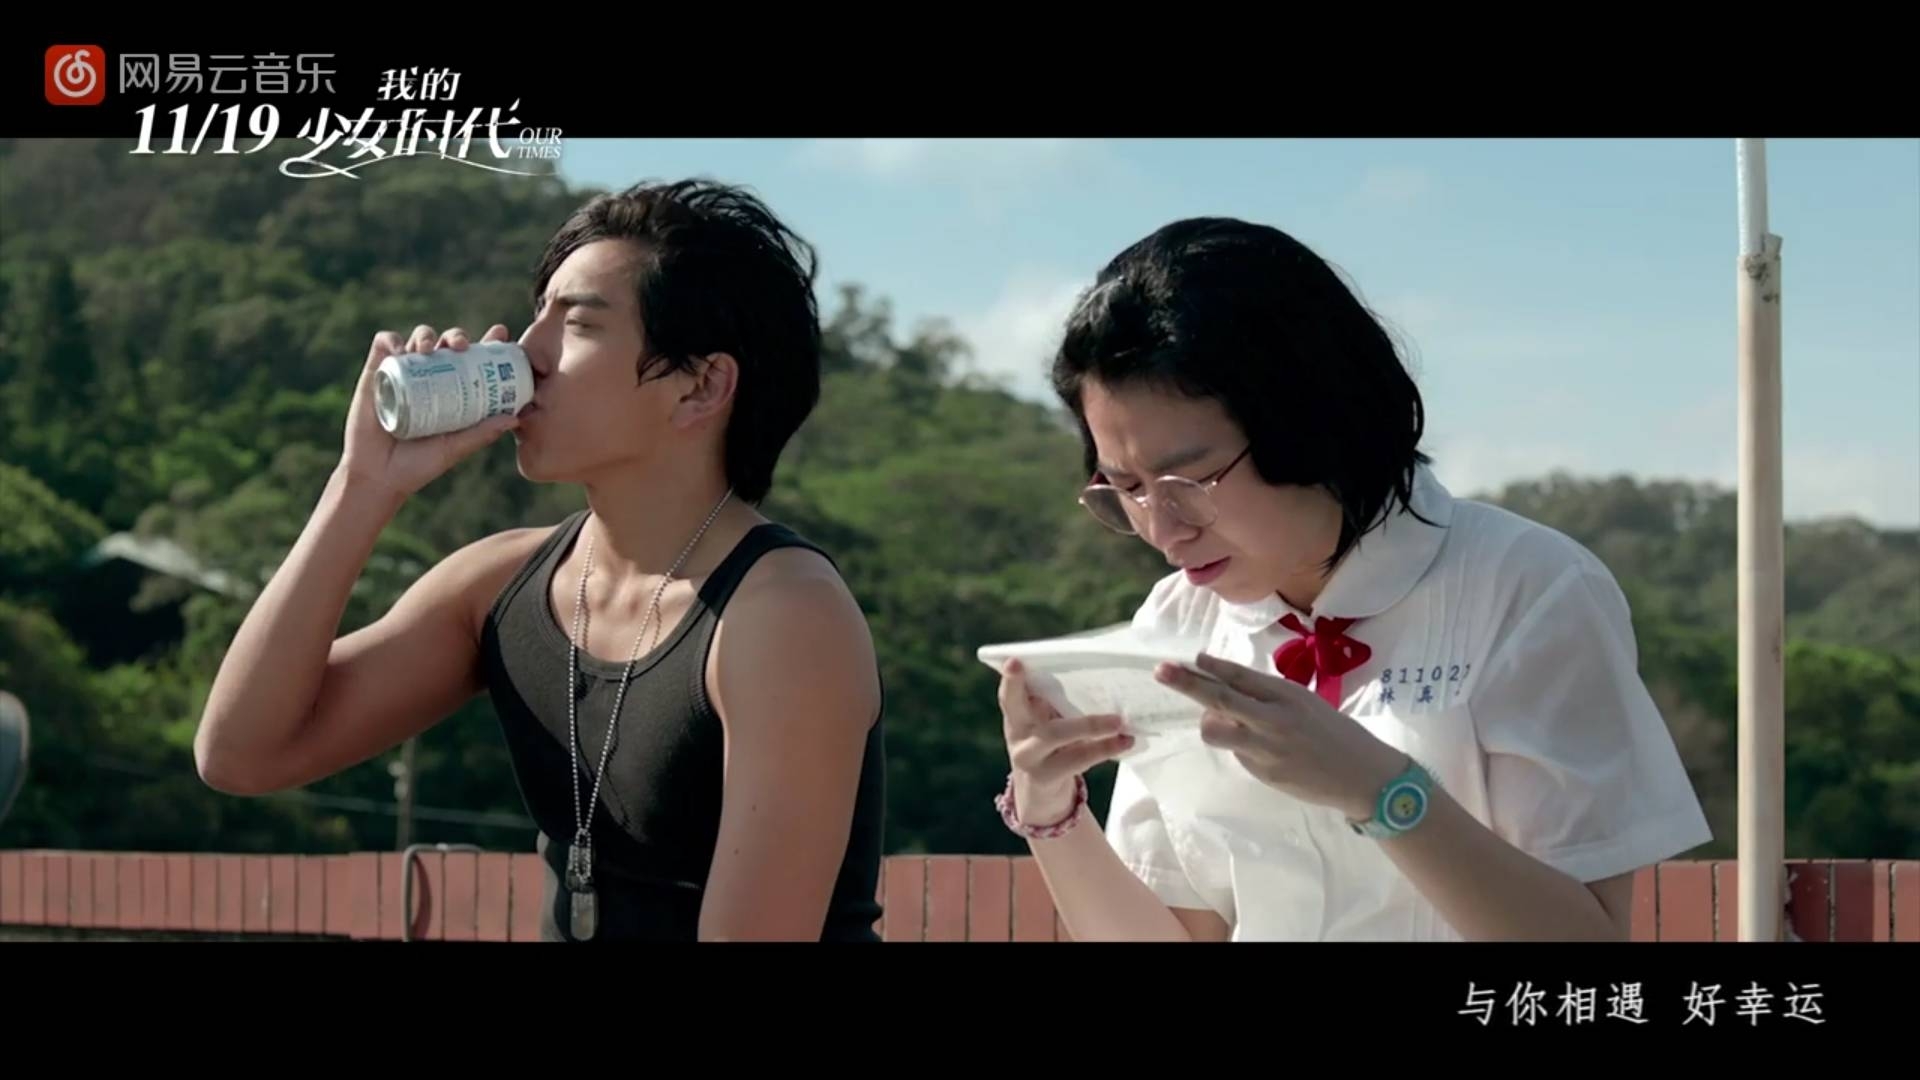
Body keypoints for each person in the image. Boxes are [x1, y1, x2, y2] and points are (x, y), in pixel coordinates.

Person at [194, 179, 886, 942]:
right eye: (538, 314)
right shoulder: (498, 584)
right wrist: (362, 486)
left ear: (701, 387)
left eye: (578, 323)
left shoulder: (782, 615)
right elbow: (242, 754)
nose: (528, 352)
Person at [993, 216, 1711, 942]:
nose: (1163, 528)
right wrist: (1050, 807)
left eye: (1191, 479)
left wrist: (1381, 791)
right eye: (1126, 488)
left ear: (1308, 421)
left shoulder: (1527, 588)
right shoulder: (1176, 624)